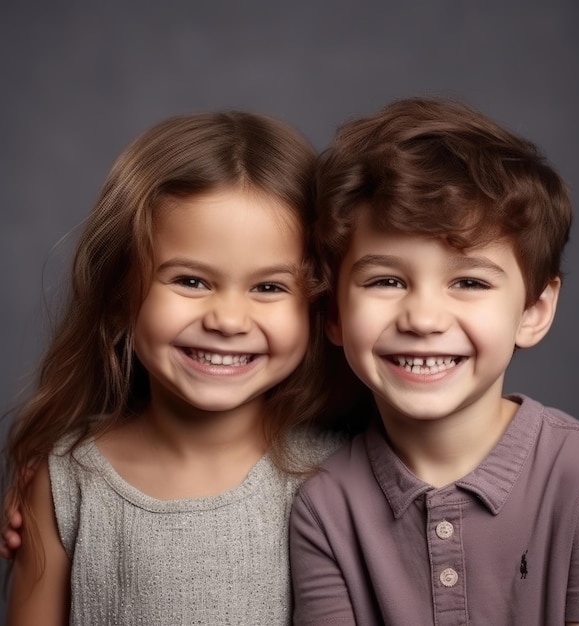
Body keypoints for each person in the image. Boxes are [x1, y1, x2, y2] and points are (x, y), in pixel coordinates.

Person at [289, 97, 579, 625]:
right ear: (333, 313)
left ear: (533, 311)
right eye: (386, 281)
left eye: (468, 282)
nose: (423, 318)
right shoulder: (326, 504)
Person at [2, 110, 342, 625]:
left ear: (319, 308)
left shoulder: (342, 473)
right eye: (190, 281)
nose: (228, 319)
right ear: (119, 295)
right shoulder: (68, 481)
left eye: (269, 287)